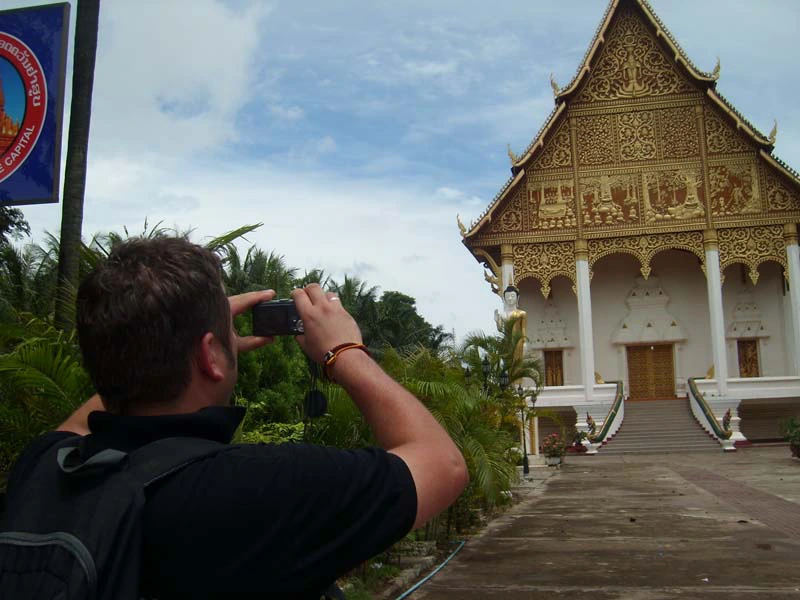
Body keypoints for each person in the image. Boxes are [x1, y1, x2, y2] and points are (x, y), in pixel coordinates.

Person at [3, 237, 468, 599]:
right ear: (210, 356)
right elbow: (441, 463)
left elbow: (89, 411)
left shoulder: (47, 468)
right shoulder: (255, 488)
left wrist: (168, 336)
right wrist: (343, 351)